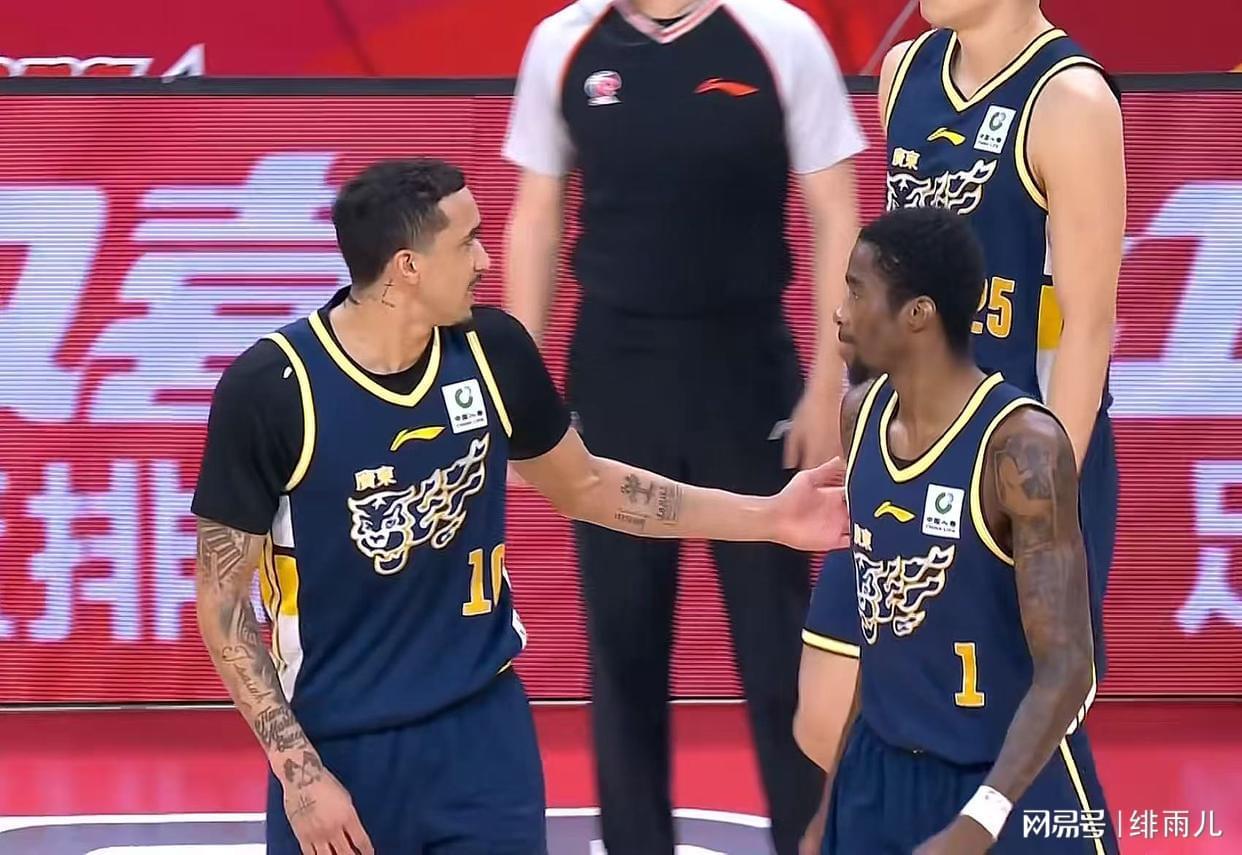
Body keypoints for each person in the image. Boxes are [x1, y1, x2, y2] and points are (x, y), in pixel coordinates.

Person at [190, 158, 850, 855]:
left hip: (483, 736)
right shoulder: (272, 390)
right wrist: (298, 773)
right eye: (467, 242)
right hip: (339, 747)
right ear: (408, 266)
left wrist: (770, 517)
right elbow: (222, 604)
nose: (485, 260)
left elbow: (587, 486)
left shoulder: (493, 352)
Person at [502, 2, 864, 851]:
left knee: (780, 649)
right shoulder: (564, 43)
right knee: (623, 648)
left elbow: (836, 215)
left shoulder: (779, 35)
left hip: (748, 372)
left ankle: (811, 839)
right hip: (615, 374)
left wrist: (829, 385)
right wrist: (521, 395)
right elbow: (536, 216)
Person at [824, 205, 1118, 854]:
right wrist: (833, 800)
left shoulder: (1022, 448)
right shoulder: (859, 417)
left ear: (918, 314)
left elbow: (1069, 666)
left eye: (857, 291)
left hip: (1005, 783)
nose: (839, 312)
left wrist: (982, 818)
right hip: (879, 774)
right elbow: (883, 634)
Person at [877, 0, 1125, 695]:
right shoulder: (903, 72)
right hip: (912, 453)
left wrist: (1043, 505)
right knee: (884, 712)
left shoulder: (1071, 99)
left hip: (1015, 454)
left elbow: (1087, 327)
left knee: (1023, 721)